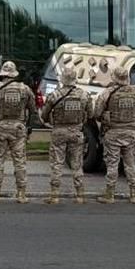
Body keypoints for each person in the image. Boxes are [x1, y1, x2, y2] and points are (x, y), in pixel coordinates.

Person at [0, 61, 37, 204]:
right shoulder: (25, 90)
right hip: (18, 128)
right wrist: (29, 127)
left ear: (2, 73)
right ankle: (21, 194)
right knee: (20, 161)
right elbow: (33, 110)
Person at [39, 67, 93, 204]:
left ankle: (54, 195)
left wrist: (48, 120)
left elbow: (44, 115)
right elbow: (91, 114)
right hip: (76, 132)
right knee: (77, 164)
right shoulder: (84, 95)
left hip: (59, 132)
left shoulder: (54, 95)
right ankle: (80, 195)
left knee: (57, 163)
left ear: (62, 79)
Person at [95, 66, 135, 204]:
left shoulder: (107, 93)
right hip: (131, 132)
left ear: (114, 77)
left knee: (112, 164)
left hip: (113, 133)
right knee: (130, 164)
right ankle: (134, 194)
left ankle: (109, 195)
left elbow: (97, 113)